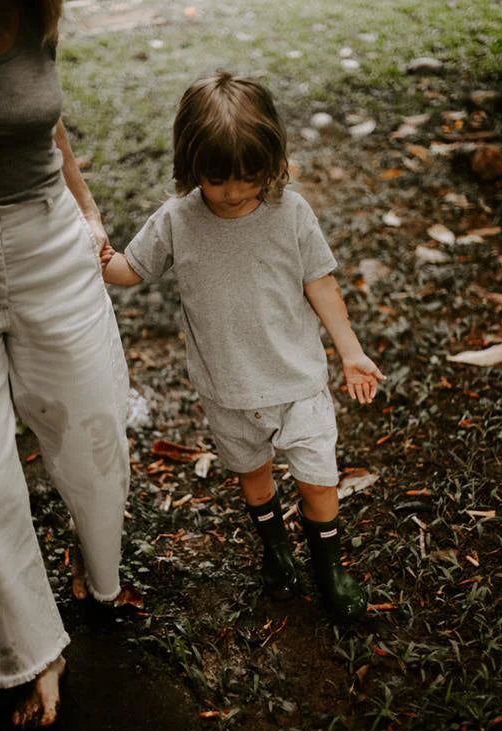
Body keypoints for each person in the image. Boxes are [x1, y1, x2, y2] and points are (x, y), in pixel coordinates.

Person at [103, 71, 385, 623]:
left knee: (319, 480)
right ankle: (276, 551)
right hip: (227, 388)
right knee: (253, 477)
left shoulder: (291, 212)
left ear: (272, 160)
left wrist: (350, 351)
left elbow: (320, 283)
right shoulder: (177, 220)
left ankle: (328, 566)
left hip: (297, 381)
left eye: (249, 177)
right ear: (191, 166)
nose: (234, 192)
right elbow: (129, 270)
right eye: (217, 179)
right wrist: (88, 248)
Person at [0, 0, 130, 727]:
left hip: (50, 246)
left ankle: (103, 584)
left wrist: (87, 206)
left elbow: (42, 116)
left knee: (95, 446)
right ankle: (37, 651)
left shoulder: (39, 5)